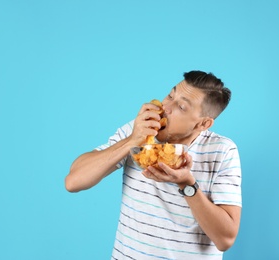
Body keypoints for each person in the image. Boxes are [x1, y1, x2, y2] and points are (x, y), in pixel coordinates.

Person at [65, 70, 242, 260]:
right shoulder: (140, 130)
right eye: (170, 95)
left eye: (181, 107)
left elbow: (225, 239)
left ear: (204, 124)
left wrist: (186, 184)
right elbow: (73, 182)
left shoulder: (222, 151)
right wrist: (132, 140)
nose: (166, 107)